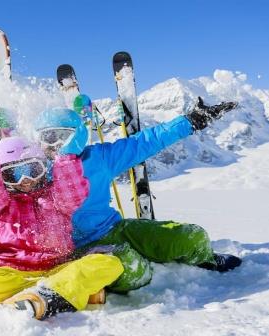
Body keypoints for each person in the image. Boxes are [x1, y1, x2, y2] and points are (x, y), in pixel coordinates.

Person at [32, 97, 242, 298]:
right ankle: (93, 280)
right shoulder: (33, 171)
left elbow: (146, 142)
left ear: (76, 135)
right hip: (78, 249)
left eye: (57, 136)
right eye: (44, 137)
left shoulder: (99, 157)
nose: (50, 144)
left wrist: (192, 121)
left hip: (115, 229)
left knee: (191, 236)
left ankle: (205, 260)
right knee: (133, 268)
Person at [0, 123, 125, 320]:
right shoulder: (2, 204)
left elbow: (72, 191)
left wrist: (67, 159)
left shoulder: (56, 200)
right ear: (1, 178)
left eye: (32, 169)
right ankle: (67, 292)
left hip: (58, 269)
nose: (25, 180)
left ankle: (42, 296)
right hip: (13, 274)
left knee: (109, 263)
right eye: (13, 175)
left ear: (43, 168)